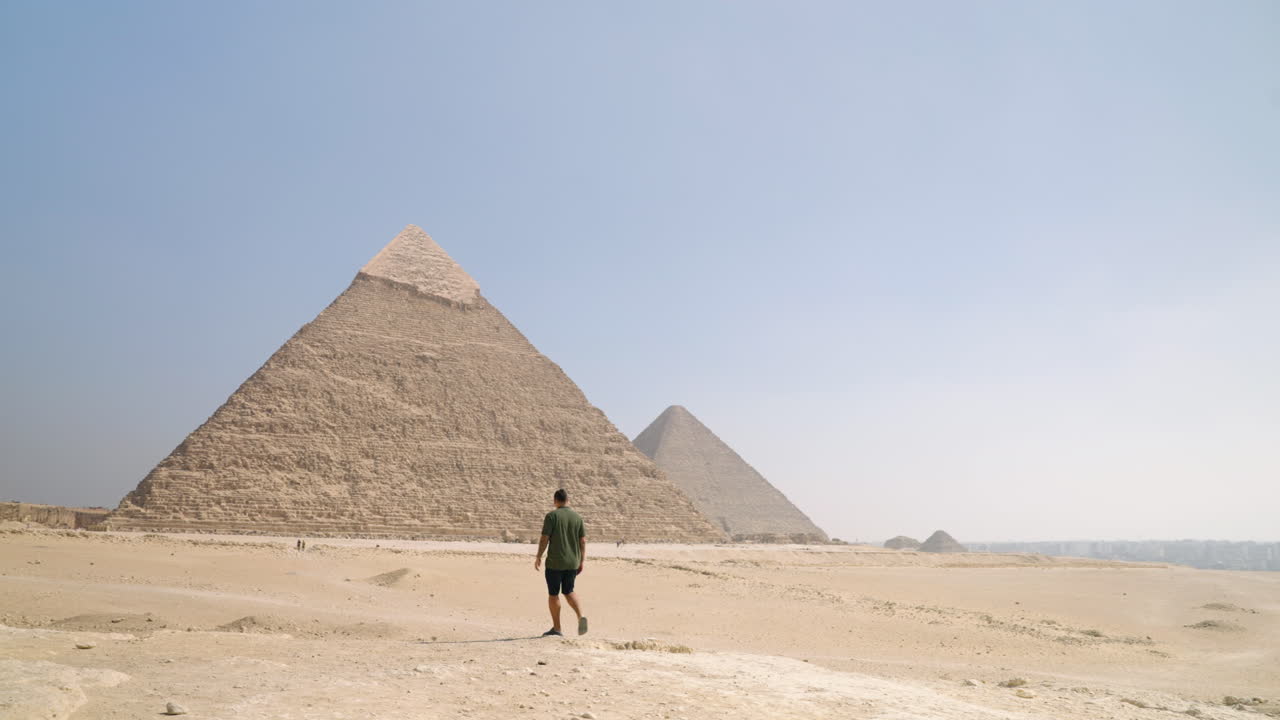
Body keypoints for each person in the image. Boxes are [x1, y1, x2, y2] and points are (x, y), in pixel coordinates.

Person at [534, 488, 587, 637]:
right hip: (572, 562)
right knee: (569, 590)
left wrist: (538, 555)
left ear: (555, 500)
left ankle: (557, 628)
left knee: (553, 594)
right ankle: (580, 615)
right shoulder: (577, 517)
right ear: (567, 500)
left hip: (555, 563)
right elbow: (582, 541)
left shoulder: (552, 516)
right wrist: (581, 560)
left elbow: (545, 538)